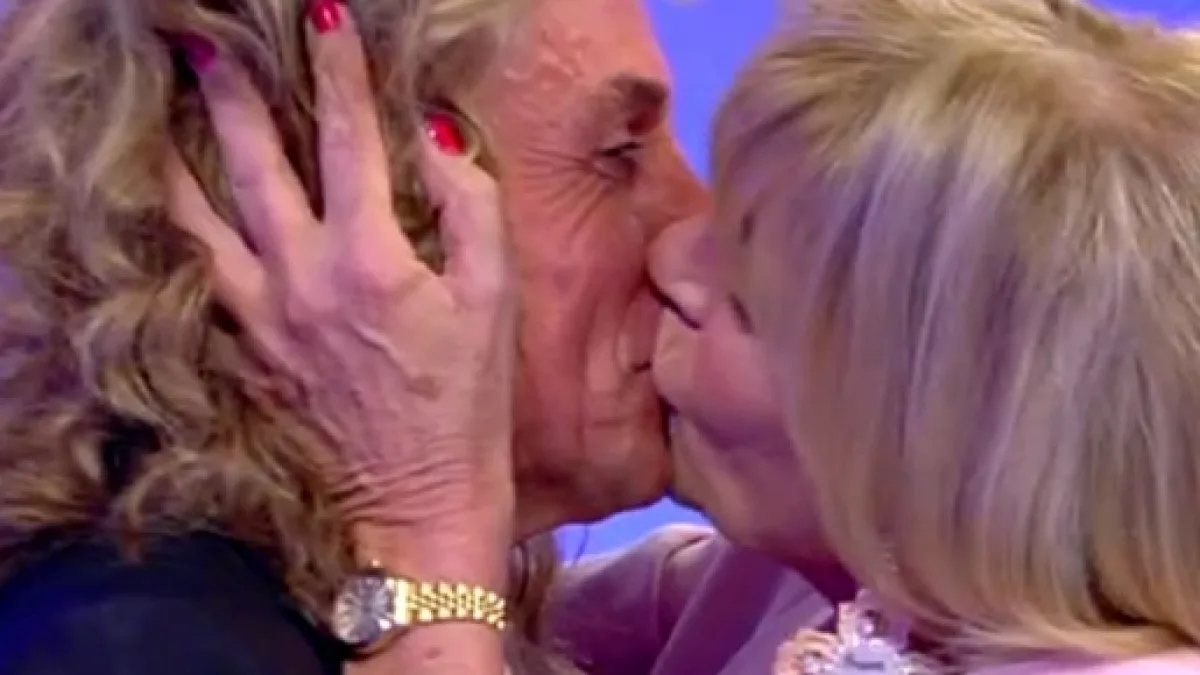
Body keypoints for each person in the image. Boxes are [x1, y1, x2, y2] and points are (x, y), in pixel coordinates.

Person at [0, 0, 706, 673]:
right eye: (618, 153)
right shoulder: (137, 641)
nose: (694, 229)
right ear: (312, 198)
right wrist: (425, 539)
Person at [552, 0, 1200, 672]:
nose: (669, 256)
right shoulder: (842, 583)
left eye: (746, 301)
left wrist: (471, 519)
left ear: (941, 456)